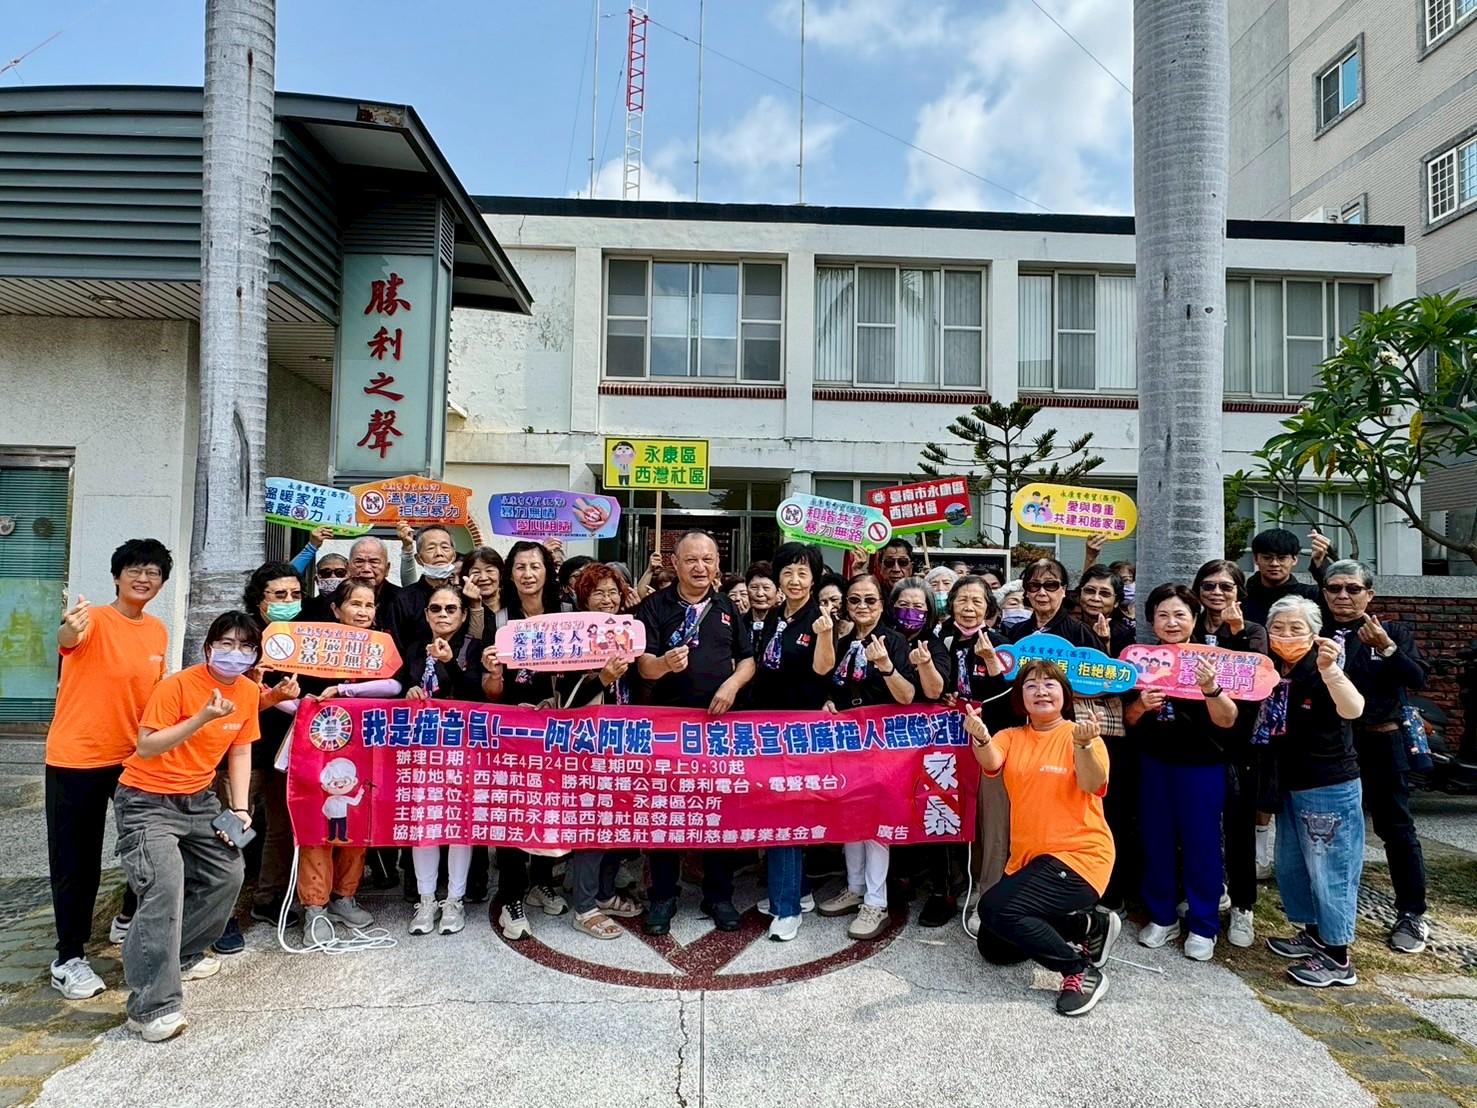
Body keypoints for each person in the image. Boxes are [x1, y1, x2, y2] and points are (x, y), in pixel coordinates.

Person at [114, 612, 262, 1042]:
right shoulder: (176, 686)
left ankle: (177, 954)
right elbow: (146, 746)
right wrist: (201, 717)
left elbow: (239, 751)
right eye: (227, 644)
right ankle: (151, 1007)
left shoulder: (249, 691)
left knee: (227, 873)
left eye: (245, 646)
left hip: (200, 800)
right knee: (164, 886)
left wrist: (240, 809)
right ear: (208, 648)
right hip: (147, 800)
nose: (235, 653)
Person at [45, 539, 171, 1001]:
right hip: (76, 757)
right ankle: (68, 958)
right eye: (134, 569)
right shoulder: (93, 619)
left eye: (153, 572)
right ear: (117, 576)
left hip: (132, 759)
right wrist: (68, 628)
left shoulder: (156, 631)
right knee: (76, 860)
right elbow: (67, 640)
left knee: (146, 844)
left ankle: (126, 919)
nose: (143, 578)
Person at [964, 659, 1118, 1018]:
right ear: (1021, 697)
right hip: (1030, 861)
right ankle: (1087, 926)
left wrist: (1083, 746)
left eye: (1049, 684)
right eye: (1031, 685)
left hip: (1080, 856)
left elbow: (1093, 784)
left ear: (1065, 694)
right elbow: (991, 761)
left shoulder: (1082, 735)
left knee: (994, 909)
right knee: (995, 947)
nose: (1040, 691)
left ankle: (1078, 970)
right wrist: (981, 737)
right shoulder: (1011, 736)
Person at [635, 531, 756, 936]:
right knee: (667, 810)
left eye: (707, 559)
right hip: (668, 730)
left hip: (718, 728)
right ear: (675, 564)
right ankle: (663, 895)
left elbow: (747, 659)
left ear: (717, 563)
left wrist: (732, 685)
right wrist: (664, 664)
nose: (700, 567)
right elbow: (644, 665)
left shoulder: (727, 606)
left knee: (720, 811)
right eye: (691, 560)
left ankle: (718, 895)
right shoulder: (655, 605)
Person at [274, 578, 401, 943]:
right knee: (317, 824)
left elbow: (394, 686)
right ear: (335, 609)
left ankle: (345, 896)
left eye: (369, 605)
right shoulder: (310, 645)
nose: (363, 611)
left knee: (356, 821)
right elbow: (283, 694)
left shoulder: (381, 646)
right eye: (355, 604)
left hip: (364, 750)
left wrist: (345, 690)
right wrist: (304, 709)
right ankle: (314, 906)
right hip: (315, 746)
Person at [1319, 559, 1431, 954]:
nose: (1343, 596)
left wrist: (1385, 647)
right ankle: (1326, 913)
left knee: (1396, 828)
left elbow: (1418, 678)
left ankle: (1412, 913)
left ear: (1369, 594)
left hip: (1382, 741)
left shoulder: (1392, 631)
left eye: (1353, 589)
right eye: (1335, 588)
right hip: (1332, 746)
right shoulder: (1317, 631)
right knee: (1331, 831)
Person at [1124, 585, 1239, 961]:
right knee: (1155, 839)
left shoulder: (1214, 660)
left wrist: (1211, 688)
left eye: (1179, 615)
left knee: (1201, 843)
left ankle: (1204, 924)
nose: (1171, 623)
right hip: (1154, 764)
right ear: (1151, 620)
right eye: (1162, 615)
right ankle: (1162, 916)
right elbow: (1128, 720)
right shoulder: (1140, 661)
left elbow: (1228, 720)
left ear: (1194, 618)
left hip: (1202, 767)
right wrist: (1141, 705)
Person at [1262, 597, 1366, 987]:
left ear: (1314, 632)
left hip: (1328, 785)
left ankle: (1338, 958)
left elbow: (1353, 708)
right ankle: (1314, 935)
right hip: (1291, 782)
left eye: (1296, 628)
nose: (1286, 635)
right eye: (1278, 627)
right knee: (1294, 864)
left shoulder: (1324, 665)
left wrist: (1331, 671)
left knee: (1330, 870)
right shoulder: (1273, 669)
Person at [816, 575, 916, 941]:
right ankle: (855, 887)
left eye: (870, 600)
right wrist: (828, 702)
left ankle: (877, 901)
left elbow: (907, 696)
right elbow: (830, 685)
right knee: (850, 816)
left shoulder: (895, 640)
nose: (862, 606)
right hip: (846, 743)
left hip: (882, 744)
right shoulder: (842, 642)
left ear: (882, 604)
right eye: (854, 600)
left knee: (876, 823)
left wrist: (886, 665)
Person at [399, 584, 501, 937]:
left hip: (463, 751)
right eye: (436, 608)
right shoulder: (414, 648)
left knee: (460, 824)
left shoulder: (473, 648)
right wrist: (409, 692)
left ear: (463, 614)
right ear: (426, 614)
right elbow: (399, 687)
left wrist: (448, 664)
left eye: (451, 608)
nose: (443, 614)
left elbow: (476, 694)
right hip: (420, 750)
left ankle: (454, 900)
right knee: (423, 822)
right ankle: (426, 899)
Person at [749, 541, 830, 941]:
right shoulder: (774, 617)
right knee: (775, 812)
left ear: (814, 579)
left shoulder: (818, 619)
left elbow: (823, 669)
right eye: (787, 573)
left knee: (786, 816)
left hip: (799, 733)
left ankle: (787, 910)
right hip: (766, 730)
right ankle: (799, 891)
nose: (794, 580)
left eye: (802, 573)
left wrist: (825, 636)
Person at [559, 563, 644, 939]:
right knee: (593, 825)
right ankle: (584, 906)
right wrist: (601, 679)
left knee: (620, 823)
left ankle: (605, 893)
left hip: (629, 741)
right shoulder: (571, 636)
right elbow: (566, 696)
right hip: (590, 746)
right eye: (598, 593)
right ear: (583, 598)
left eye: (613, 592)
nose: (607, 600)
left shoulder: (631, 630)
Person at [491, 541, 571, 939]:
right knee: (512, 813)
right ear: (511, 573)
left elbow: (582, 673)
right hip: (511, 735)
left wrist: (556, 699)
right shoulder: (499, 617)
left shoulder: (568, 614)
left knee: (549, 809)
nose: (528, 574)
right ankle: (510, 896)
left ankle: (541, 882)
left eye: (535, 566)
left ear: (547, 571)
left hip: (556, 732)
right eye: (520, 566)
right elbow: (489, 687)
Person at [1192, 559, 1271, 948]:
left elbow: (1255, 679)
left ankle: (1243, 905)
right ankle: (1209, 890)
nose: (1217, 593)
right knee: (1200, 826)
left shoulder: (1253, 630)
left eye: (1226, 586)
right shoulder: (1189, 628)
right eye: (1209, 585)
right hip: (1196, 741)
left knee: (1239, 826)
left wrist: (1237, 633)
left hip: (1239, 743)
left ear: (1240, 591)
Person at [234, 563, 308, 943]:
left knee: (281, 827)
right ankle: (222, 911)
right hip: (240, 749)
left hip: (287, 748)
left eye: (295, 594)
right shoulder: (241, 635)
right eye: (279, 595)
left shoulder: (307, 634)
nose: (289, 601)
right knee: (233, 826)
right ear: (259, 599)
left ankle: (267, 899)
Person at [1242, 526, 1331, 627]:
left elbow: (1332, 595)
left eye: (1282, 558)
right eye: (1267, 558)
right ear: (1255, 559)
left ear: (1294, 560)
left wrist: (1320, 562)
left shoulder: (1309, 596)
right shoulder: (1241, 596)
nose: (1274, 563)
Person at [390, 526, 463, 647]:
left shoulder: (462, 595)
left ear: (453, 556)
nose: (439, 553)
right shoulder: (403, 599)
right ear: (419, 559)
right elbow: (396, 644)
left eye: (445, 547)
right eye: (430, 548)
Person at [1008, 558, 1100, 648]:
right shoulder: (1016, 631)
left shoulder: (1080, 633)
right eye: (1034, 585)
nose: (1042, 593)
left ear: (1063, 590)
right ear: (1027, 592)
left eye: (1050, 585)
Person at [343, 537, 405, 641]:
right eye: (359, 562)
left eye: (374, 562)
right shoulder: (335, 599)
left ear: (387, 568)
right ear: (348, 567)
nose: (366, 569)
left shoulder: (403, 601)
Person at [1077, 566, 1136, 657]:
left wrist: (1104, 642)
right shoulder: (1067, 626)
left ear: (1116, 602)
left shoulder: (1123, 635)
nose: (1095, 598)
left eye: (1105, 593)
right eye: (1089, 590)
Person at [460, 546, 505, 641]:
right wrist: (475, 605)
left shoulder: (514, 599)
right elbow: (473, 643)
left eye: (489, 571)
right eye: (476, 572)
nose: (483, 578)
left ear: (500, 574)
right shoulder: (461, 606)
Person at [744, 561, 778, 650]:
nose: (759, 593)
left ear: (778, 591)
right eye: (754, 587)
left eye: (766, 588)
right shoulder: (738, 623)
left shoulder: (783, 623)